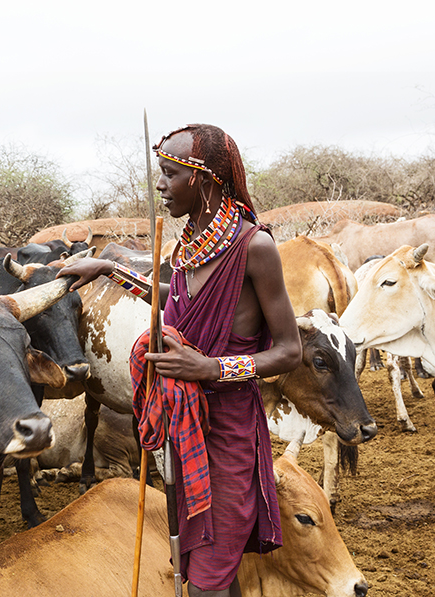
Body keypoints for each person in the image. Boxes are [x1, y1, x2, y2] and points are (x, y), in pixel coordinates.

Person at [57, 123, 302, 597]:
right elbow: (177, 304)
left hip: (228, 435)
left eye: (170, 174)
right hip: (185, 427)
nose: (160, 185)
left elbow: (289, 351)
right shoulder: (189, 242)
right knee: (202, 569)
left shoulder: (256, 247)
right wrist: (110, 270)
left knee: (209, 576)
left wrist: (212, 369)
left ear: (204, 179)